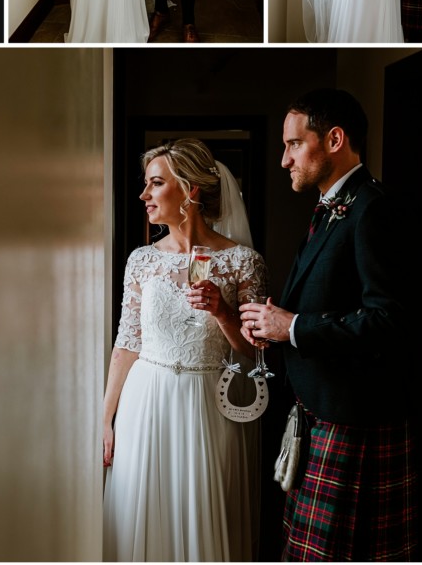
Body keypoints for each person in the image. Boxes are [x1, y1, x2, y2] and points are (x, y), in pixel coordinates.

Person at [240, 90, 416, 562]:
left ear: (334, 139)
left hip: (353, 421)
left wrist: (294, 327)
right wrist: (274, 327)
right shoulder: (331, 209)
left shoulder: (372, 208)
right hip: (318, 414)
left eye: (294, 144)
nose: (284, 160)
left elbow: (388, 321)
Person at [103, 139, 266, 561]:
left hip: (207, 404)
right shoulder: (141, 261)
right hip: (146, 402)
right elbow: (127, 341)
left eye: (155, 184)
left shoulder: (243, 262)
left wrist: (224, 312)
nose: (144, 196)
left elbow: (256, 354)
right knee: (143, 513)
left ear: (190, 190)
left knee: (201, 515)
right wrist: (106, 419)